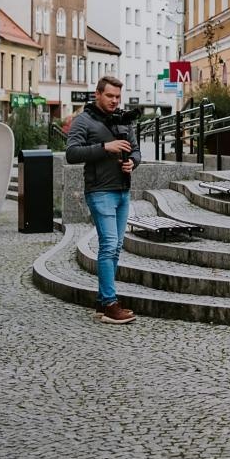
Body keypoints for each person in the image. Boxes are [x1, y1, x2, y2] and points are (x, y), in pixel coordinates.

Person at [65, 75, 140, 324]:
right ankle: (109, 304)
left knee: (116, 246)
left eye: (118, 96)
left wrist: (133, 162)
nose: (114, 101)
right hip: (99, 191)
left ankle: (101, 301)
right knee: (108, 245)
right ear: (97, 94)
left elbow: (135, 150)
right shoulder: (83, 120)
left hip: (123, 190)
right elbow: (72, 153)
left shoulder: (123, 119)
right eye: (109, 96)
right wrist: (105, 147)